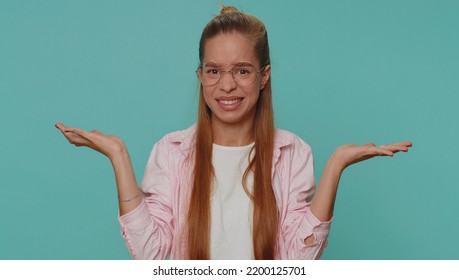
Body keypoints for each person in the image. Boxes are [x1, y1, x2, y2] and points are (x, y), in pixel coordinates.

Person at [55, 5, 411, 260]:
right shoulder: (171, 152)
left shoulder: (293, 153)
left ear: (264, 75)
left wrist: (335, 165)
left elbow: (294, 262)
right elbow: (152, 258)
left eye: (242, 71)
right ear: (200, 77)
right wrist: (118, 156)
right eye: (213, 71)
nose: (226, 86)